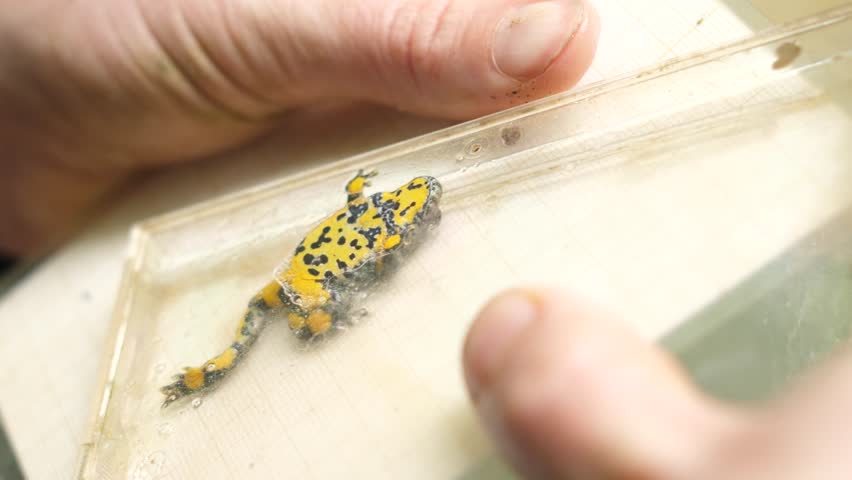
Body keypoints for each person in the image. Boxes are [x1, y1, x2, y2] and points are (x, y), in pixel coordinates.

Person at [2, 1, 849, 478]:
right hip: (290, 277)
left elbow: (362, 202)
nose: (417, 212)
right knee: (269, 325)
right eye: (413, 213)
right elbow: (363, 232)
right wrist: (326, 311)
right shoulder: (374, 238)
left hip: (89, 208)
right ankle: (228, 360)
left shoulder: (377, 209)